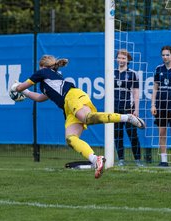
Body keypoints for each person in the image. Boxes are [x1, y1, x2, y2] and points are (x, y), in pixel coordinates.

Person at [10, 55, 145, 179]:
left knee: (87, 118)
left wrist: (15, 87)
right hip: (68, 108)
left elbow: (21, 87)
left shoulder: (42, 73)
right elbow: (40, 98)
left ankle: (127, 117)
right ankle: (95, 160)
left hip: (72, 97)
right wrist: (25, 92)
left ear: (42, 66)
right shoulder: (48, 79)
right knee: (71, 139)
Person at [114, 49, 143, 167]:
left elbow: (136, 93)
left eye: (123, 58)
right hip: (115, 108)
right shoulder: (111, 72)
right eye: (119, 58)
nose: (121, 60)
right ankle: (120, 159)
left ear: (128, 60)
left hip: (128, 108)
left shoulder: (133, 74)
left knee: (132, 135)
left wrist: (136, 109)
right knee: (117, 134)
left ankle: (138, 160)